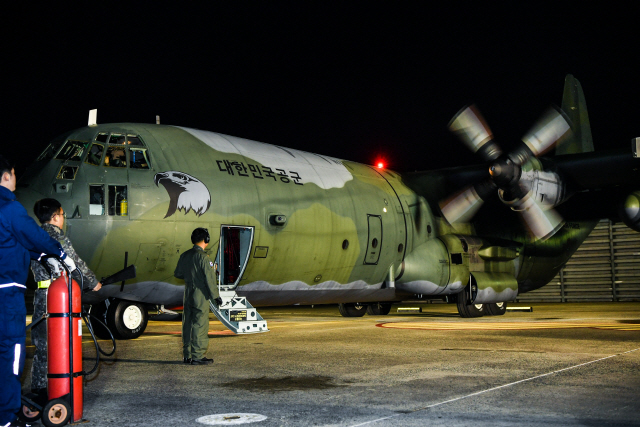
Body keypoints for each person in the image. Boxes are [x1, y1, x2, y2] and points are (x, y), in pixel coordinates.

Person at [0, 155, 75, 427]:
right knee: (11, 356)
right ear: (7, 175)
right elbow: (32, 235)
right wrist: (60, 254)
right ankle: (6, 418)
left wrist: (41, 257)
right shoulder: (9, 207)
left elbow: (14, 242)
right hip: (6, 295)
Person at [29, 198, 103, 401]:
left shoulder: (34, 234)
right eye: (62, 214)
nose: (63, 218)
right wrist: (93, 283)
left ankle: (39, 391)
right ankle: (61, 391)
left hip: (40, 296)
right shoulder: (56, 236)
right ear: (55, 217)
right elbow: (74, 262)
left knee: (42, 346)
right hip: (57, 299)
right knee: (62, 344)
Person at [174, 228, 219, 365]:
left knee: (187, 323)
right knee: (200, 323)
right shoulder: (204, 258)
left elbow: (177, 274)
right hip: (200, 294)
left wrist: (191, 275)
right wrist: (215, 296)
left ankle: (187, 355)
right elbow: (209, 279)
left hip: (188, 293)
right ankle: (198, 355)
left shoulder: (185, 255)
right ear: (206, 240)